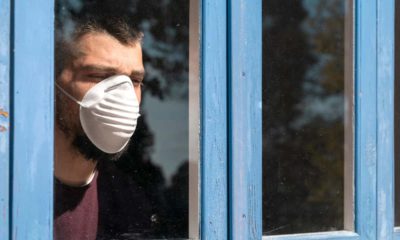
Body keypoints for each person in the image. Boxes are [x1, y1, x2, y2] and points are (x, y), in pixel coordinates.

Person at [54, 16, 164, 240]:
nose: (122, 95)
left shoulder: (131, 205)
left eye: (134, 81)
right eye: (98, 76)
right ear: (53, 83)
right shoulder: (13, 190)